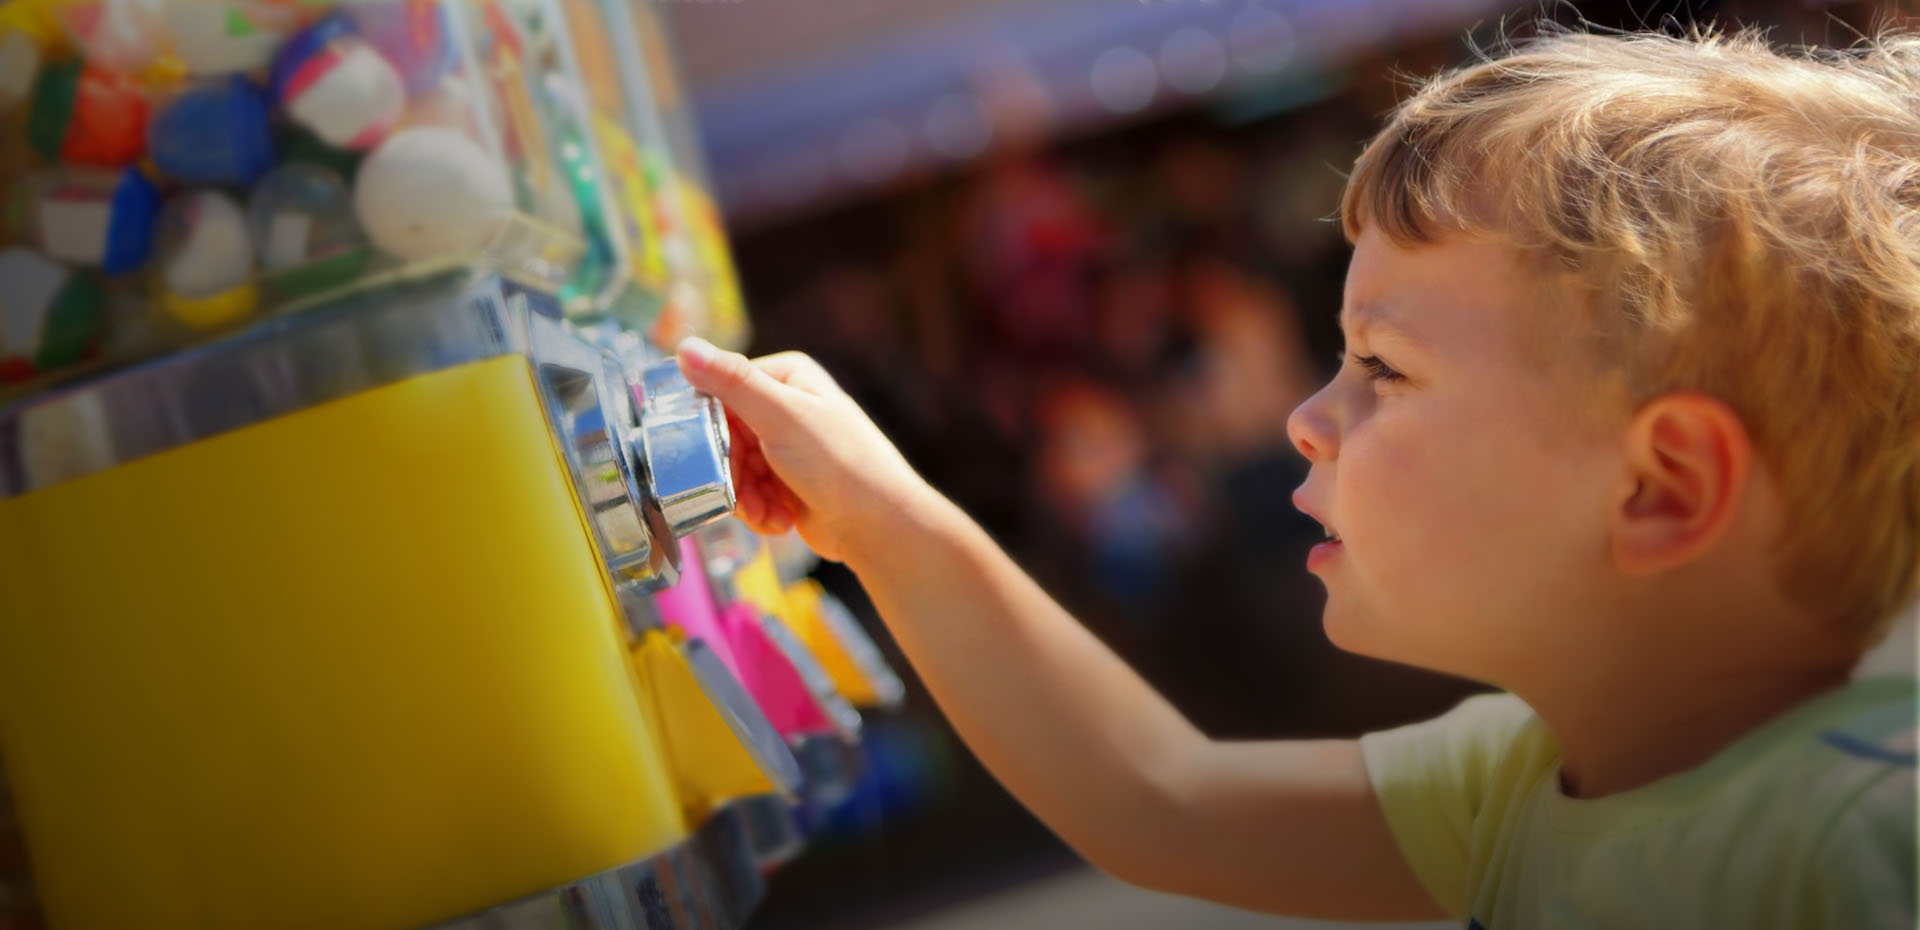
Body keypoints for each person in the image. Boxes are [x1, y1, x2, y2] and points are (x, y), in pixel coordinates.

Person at [673, 28, 1919, 929]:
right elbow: (1162, 802)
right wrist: (880, 522)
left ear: (1659, 489)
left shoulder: (1866, 852)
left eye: (1383, 367)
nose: (1309, 417)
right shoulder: (1531, 775)